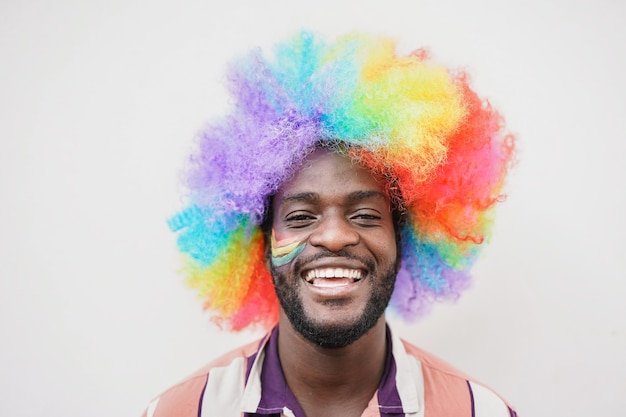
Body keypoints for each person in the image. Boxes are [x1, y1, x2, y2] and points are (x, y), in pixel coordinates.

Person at [143, 31, 518, 416]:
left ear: (405, 239)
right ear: (261, 243)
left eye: (365, 215)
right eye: (301, 217)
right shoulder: (184, 410)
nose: (335, 236)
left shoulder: (479, 411)